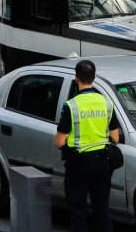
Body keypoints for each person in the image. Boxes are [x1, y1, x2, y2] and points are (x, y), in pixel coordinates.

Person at [55, 59, 121, 232]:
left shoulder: (71, 106)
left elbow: (59, 142)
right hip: (103, 163)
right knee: (102, 210)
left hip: (78, 164)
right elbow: (115, 138)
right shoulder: (106, 103)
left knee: (78, 210)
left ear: (76, 78)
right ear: (94, 78)